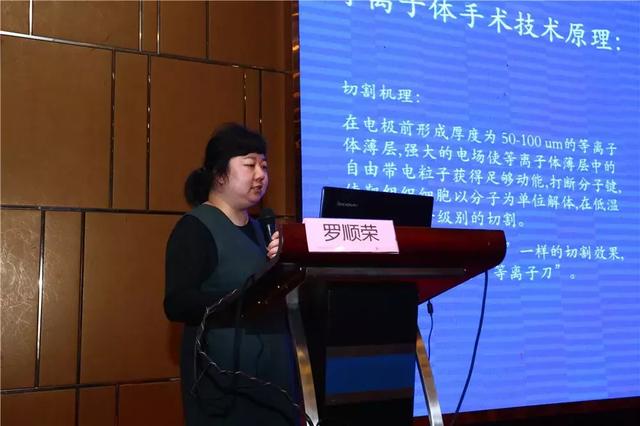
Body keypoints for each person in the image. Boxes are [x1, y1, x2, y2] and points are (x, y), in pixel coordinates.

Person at [164, 123, 298, 426]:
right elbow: (177, 303)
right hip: (224, 387)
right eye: (250, 164)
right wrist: (243, 299)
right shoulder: (196, 227)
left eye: (264, 166)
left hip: (275, 384)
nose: (261, 174)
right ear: (220, 174)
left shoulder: (264, 230)